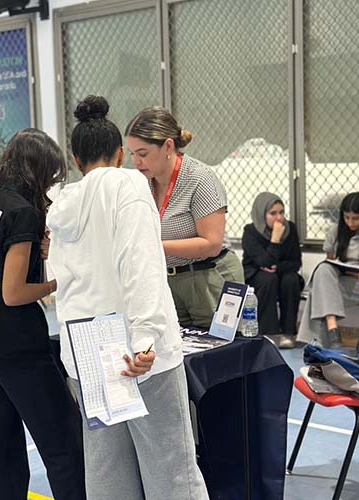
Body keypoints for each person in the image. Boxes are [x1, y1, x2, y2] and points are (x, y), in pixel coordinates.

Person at [47, 96, 209, 500]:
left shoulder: (63, 205)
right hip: (137, 353)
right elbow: (141, 268)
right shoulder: (129, 187)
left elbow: (59, 281)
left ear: (75, 159)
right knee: (171, 468)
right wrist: (146, 341)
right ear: (120, 153)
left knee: (107, 468)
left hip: (85, 352)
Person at [0, 128, 86, 500]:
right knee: (64, 442)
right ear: (37, 171)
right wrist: (57, 283)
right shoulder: (23, 212)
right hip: (16, 344)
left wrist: (37, 252)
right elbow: (13, 294)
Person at [125, 107, 244, 327]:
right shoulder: (143, 183)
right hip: (168, 281)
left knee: (219, 347)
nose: (136, 162)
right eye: (131, 154)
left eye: (142, 154)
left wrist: (155, 246)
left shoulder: (199, 178)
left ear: (168, 146)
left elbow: (212, 244)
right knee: (173, 345)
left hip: (210, 277)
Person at [297, 192, 359, 349]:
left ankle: (326, 341)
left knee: (318, 291)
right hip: (342, 280)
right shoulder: (336, 231)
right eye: (346, 217)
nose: (350, 222)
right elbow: (331, 262)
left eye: (355, 218)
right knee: (323, 269)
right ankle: (333, 331)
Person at [241, 192, 304, 349]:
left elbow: (296, 262)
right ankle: (269, 334)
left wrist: (277, 267)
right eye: (273, 213)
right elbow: (264, 262)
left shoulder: (290, 229)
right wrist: (275, 239)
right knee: (268, 279)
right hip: (255, 274)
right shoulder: (250, 232)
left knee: (291, 280)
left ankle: (288, 333)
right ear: (262, 214)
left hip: (282, 273)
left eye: (281, 212)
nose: (279, 218)